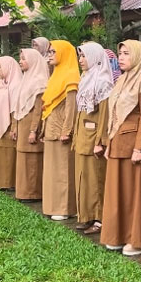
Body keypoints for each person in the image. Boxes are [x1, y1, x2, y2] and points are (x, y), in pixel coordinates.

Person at [100, 40, 141, 256]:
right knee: (117, 193)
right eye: (120, 53)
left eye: (127, 53)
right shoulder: (122, 79)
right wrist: (109, 142)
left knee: (134, 194)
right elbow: (114, 114)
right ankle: (117, 235)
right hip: (117, 143)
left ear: (139, 56)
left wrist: (140, 148)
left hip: (133, 146)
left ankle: (136, 239)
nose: (121, 57)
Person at [73, 42, 113, 235]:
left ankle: (99, 218)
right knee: (84, 179)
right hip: (82, 136)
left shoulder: (103, 82)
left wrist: (100, 142)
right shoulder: (85, 78)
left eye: (84, 56)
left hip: (93, 139)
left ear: (95, 57)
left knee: (96, 180)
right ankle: (86, 215)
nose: (81, 60)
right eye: (80, 56)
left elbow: (105, 114)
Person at [41, 40, 80, 221]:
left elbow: (71, 107)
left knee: (63, 170)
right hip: (51, 129)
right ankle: (53, 205)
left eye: (53, 52)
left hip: (61, 132)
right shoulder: (56, 74)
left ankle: (65, 208)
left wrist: (67, 131)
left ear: (64, 53)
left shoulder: (71, 75)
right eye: (48, 52)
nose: (49, 55)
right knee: (52, 171)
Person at [13, 48, 49, 202]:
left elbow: (38, 110)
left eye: (23, 59)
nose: (20, 61)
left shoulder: (40, 82)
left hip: (31, 127)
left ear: (33, 61)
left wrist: (34, 130)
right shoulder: (25, 79)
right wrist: (15, 126)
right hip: (22, 125)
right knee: (23, 159)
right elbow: (18, 106)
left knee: (32, 160)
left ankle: (33, 193)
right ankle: (23, 192)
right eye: (20, 58)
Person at [0, 56, 22, 190]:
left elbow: (15, 109)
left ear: (8, 67)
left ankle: (9, 182)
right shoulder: (1, 84)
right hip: (0, 124)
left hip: (10, 125)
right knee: (0, 153)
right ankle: (0, 182)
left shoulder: (16, 85)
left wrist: (14, 126)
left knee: (9, 154)